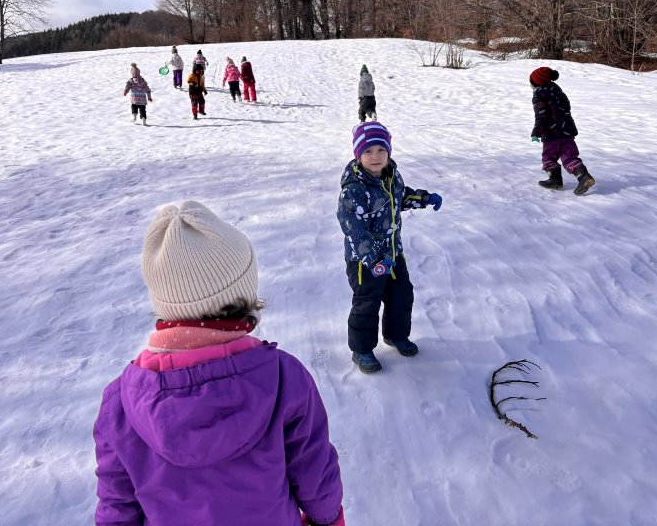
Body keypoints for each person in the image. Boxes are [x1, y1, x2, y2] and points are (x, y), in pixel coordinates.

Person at [93, 200, 345, 526]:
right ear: (243, 294)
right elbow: (314, 473)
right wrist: (328, 519)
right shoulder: (283, 378)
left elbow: (117, 506)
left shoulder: (121, 404)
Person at [337, 121, 443, 374]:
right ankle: (361, 349)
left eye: (380, 150)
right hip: (365, 262)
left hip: (394, 255)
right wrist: (373, 259)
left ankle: (396, 335)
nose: (375, 157)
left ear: (389, 152)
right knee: (367, 304)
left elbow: (400, 197)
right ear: (358, 155)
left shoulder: (391, 176)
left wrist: (423, 198)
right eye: (368, 152)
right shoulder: (354, 190)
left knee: (401, 296)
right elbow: (354, 229)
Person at [529, 67, 596, 195]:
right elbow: (566, 108)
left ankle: (555, 179)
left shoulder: (539, 95)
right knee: (570, 157)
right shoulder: (557, 90)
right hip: (567, 131)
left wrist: (537, 132)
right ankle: (584, 177)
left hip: (552, 134)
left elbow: (541, 115)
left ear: (536, 83)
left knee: (549, 157)